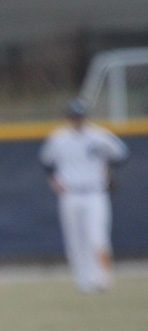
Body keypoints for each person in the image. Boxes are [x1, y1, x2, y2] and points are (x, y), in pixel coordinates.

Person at [39, 98, 129, 293]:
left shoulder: (98, 136)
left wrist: (108, 171)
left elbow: (121, 155)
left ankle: (102, 278)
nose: (77, 120)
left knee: (97, 237)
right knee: (75, 240)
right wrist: (54, 181)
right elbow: (47, 163)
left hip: (94, 192)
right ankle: (83, 281)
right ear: (68, 118)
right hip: (70, 193)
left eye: (80, 116)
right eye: (74, 116)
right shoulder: (59, 138)